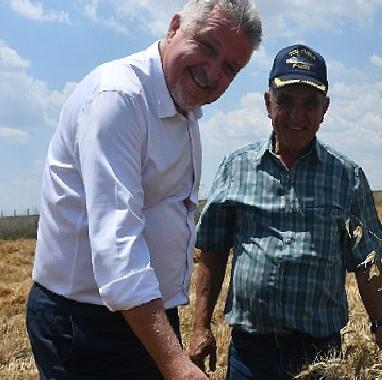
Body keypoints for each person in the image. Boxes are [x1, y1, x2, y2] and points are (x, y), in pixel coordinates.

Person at [25, 1, 262, 379]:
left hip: (142, 314)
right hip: (86, 325)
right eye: (207, 46)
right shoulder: (119, 99)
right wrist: (174, 363)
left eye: (230, 68)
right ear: (173, 27)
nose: (213, 72)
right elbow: (118, 245)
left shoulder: (181, 105)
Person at [189, 44, 382, 379]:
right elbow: (213, 250)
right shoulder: (237, 167)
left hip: (319, 354)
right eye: (286, 101)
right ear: (268, 104)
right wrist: (200, 326)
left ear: (325, 109)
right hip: (251, 354)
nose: (296, 115)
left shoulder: (346, 176)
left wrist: (381, 324)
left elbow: (367, 260)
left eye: (310, 104)